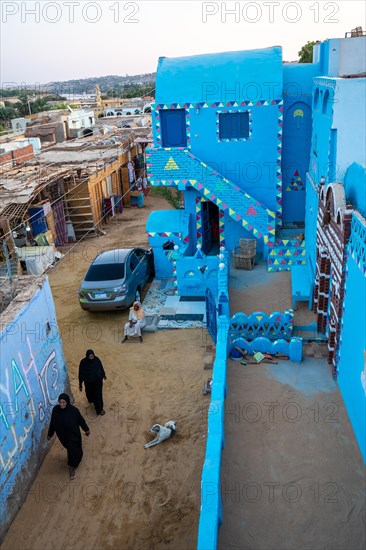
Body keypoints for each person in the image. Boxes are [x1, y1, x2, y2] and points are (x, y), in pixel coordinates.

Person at [47, 393, 90, 480]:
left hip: (74, 435)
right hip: (63, 436)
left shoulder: (74, 411)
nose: (62, 404)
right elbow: (52, 423)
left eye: (64, 402)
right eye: (60, 402)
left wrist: (86, 429)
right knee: (73, 450)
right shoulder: (55, 410)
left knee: (73, 451)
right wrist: (50, 434)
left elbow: (81, 421)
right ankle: (75, 461)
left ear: (67, 402)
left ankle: (72, 467)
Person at [78, 349, 107, 416]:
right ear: (87, 356)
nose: (91, 358)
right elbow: (81, 373)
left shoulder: (97, 360)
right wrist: (80, 384)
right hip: (88, 383)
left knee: (98, 396)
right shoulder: (83, 362)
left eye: (92, 356)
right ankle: (91, 399)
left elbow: (101, 368)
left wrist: (104, 375)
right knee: (89, 394)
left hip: (97, 382)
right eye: (90, 357)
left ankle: (100, 409)